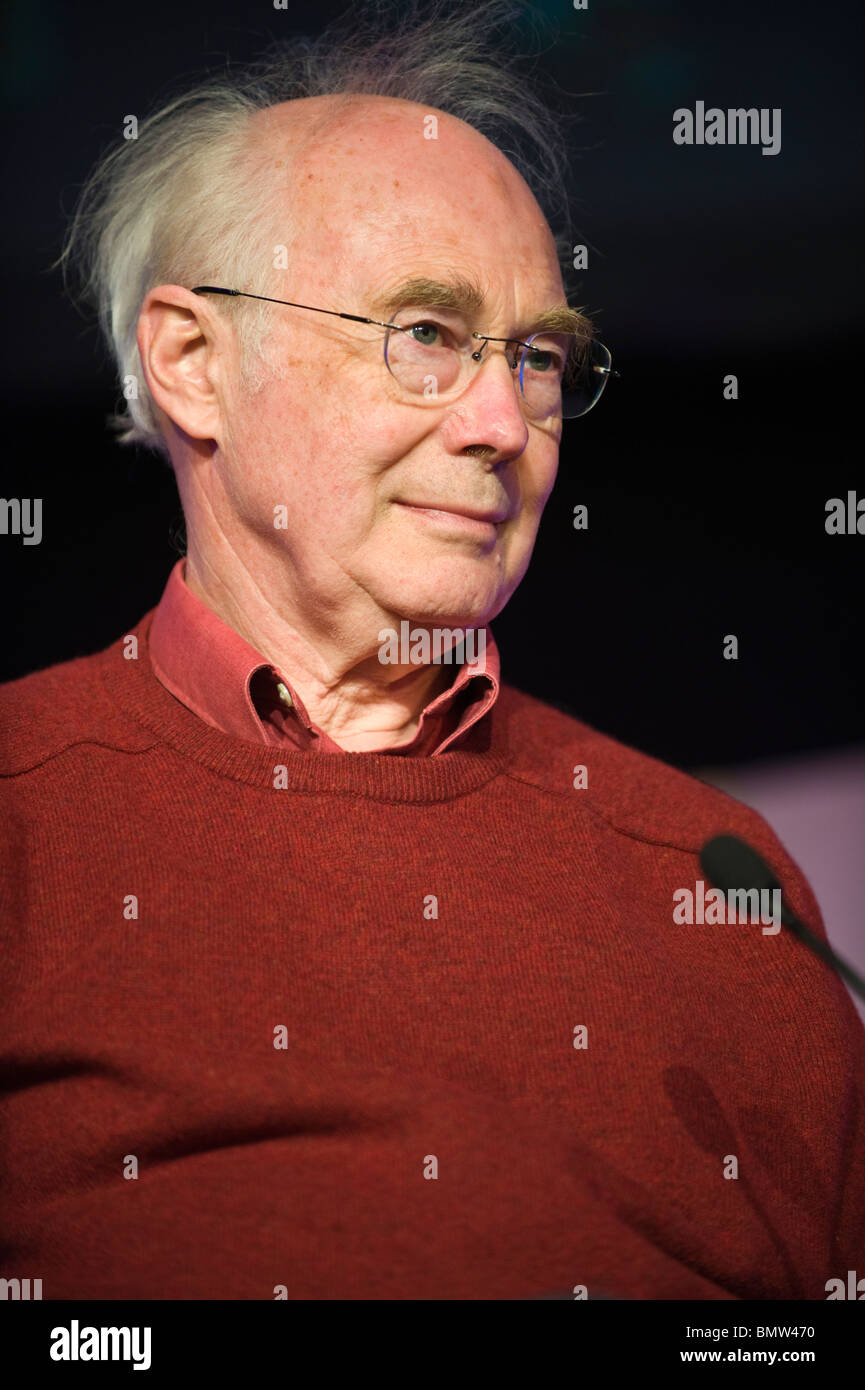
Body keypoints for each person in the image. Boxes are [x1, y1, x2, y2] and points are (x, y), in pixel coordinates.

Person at [1, 1, 862, 1300]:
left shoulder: (718, 879)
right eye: (425, 335)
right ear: (190, 360)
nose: (501, 422)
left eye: (534, 357)